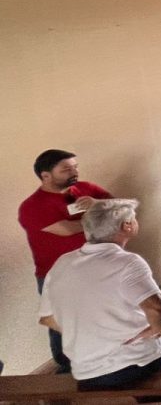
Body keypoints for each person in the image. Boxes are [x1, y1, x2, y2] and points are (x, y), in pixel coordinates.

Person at [38, 199, 161, 391]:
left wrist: (90, 335)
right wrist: (158, 329)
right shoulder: (128, 262)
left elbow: (47, 318)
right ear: (127, 226)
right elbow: (156, 307)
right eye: (134, 218)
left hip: (85, 371)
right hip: (134, 363)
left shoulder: (62, 262)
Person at [18, 149, 112, 372]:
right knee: (62, 324)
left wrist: (97, 205)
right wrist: (101, 217)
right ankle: (67, 369)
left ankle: (106, 361)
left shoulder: (86, 189)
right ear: (45, 175)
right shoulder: (32, 206)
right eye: (66, 169)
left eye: (75, 167)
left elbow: (121, 209)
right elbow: (67, 229)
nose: (74, 172)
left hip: (96, 267)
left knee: (101, 314)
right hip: (57, 274)